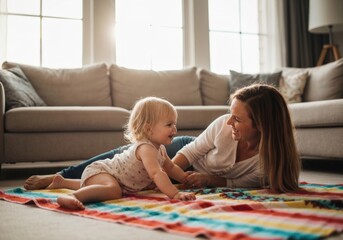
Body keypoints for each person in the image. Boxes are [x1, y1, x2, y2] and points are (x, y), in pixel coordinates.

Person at [25, 84, 300, 193]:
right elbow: (191, 154)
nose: (229, 122)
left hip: (195, 175)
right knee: (125, 157)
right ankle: (57, 176)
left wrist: (208, 180)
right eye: (231, 114)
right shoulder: (222, 127)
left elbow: (239, 182)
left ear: (262, 125)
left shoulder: (268, 165)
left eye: (238, 119)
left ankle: (68, 180)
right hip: (183, 153)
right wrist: (161, 173)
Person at [46, 97, 196, 210]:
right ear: (148, 128)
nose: (175, 130)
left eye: (175, 124)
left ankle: (63, 182)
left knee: (107, 186)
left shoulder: (160, 148)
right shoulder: (146, 148)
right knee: (113, 190)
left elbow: (170, 167)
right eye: (169, 125)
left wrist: (184, 178)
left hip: (114, 178)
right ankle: (72, 196)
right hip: (103, 170)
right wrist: (175, 194)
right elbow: (157, 173)